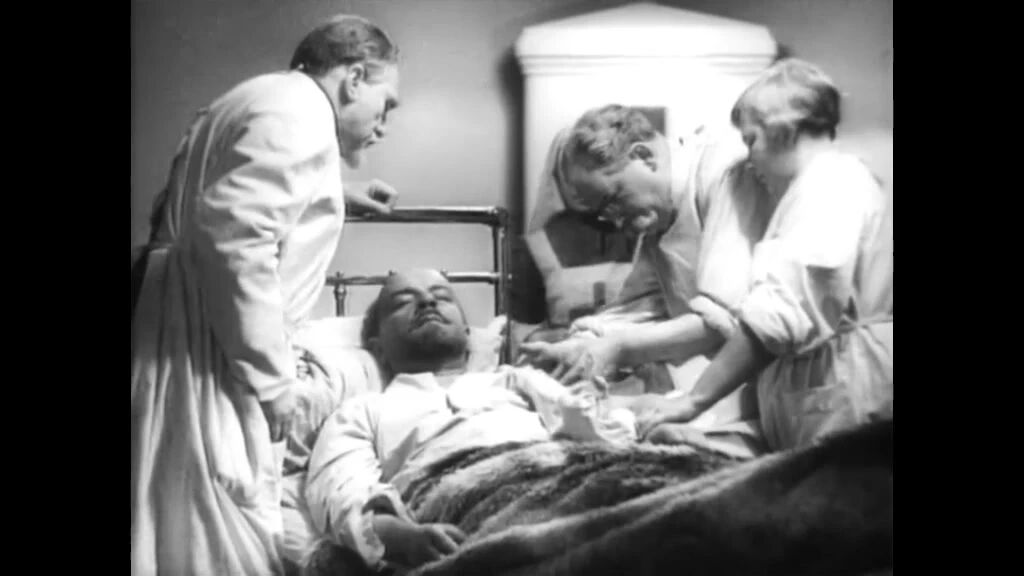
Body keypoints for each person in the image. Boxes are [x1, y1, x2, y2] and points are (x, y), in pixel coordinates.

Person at [131, 15, 401, 575]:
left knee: (171, 508)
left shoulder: (263, 97)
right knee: (213, 528)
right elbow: (235, 237)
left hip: (177, 319)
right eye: (387, 103)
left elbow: (218, 193)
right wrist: (274, 382)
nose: (384, 124)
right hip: (208, 344)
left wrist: (336, 191)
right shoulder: (302, 115)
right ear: (355, 78)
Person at [634, 59, 893, 451]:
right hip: (824, 404)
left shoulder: (834, 185)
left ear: (783, 129)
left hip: (850, 399)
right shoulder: (810, 190)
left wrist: (692, 401)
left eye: (751, 140)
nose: (749, 159)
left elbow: (778, 317)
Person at [304, 269, 636, 573]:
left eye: (442, 296)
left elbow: (598, 432)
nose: (428, 302)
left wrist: (599, 411)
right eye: (403, 302)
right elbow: (342, 491)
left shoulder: (516, 379)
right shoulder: (362, 411)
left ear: (467, 332)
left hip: (562, 480)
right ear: (377, 346)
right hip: (460, 509)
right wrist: (403, 537)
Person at [517, 104, 775, 447]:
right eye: (602, 213)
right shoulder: (658, 216)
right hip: (759, 390)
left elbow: (724, 319)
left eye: (613, 199)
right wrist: (581, 345)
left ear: (644, 156)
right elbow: (639, 307)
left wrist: (617, 349)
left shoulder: (724, 171)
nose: (614, 220)